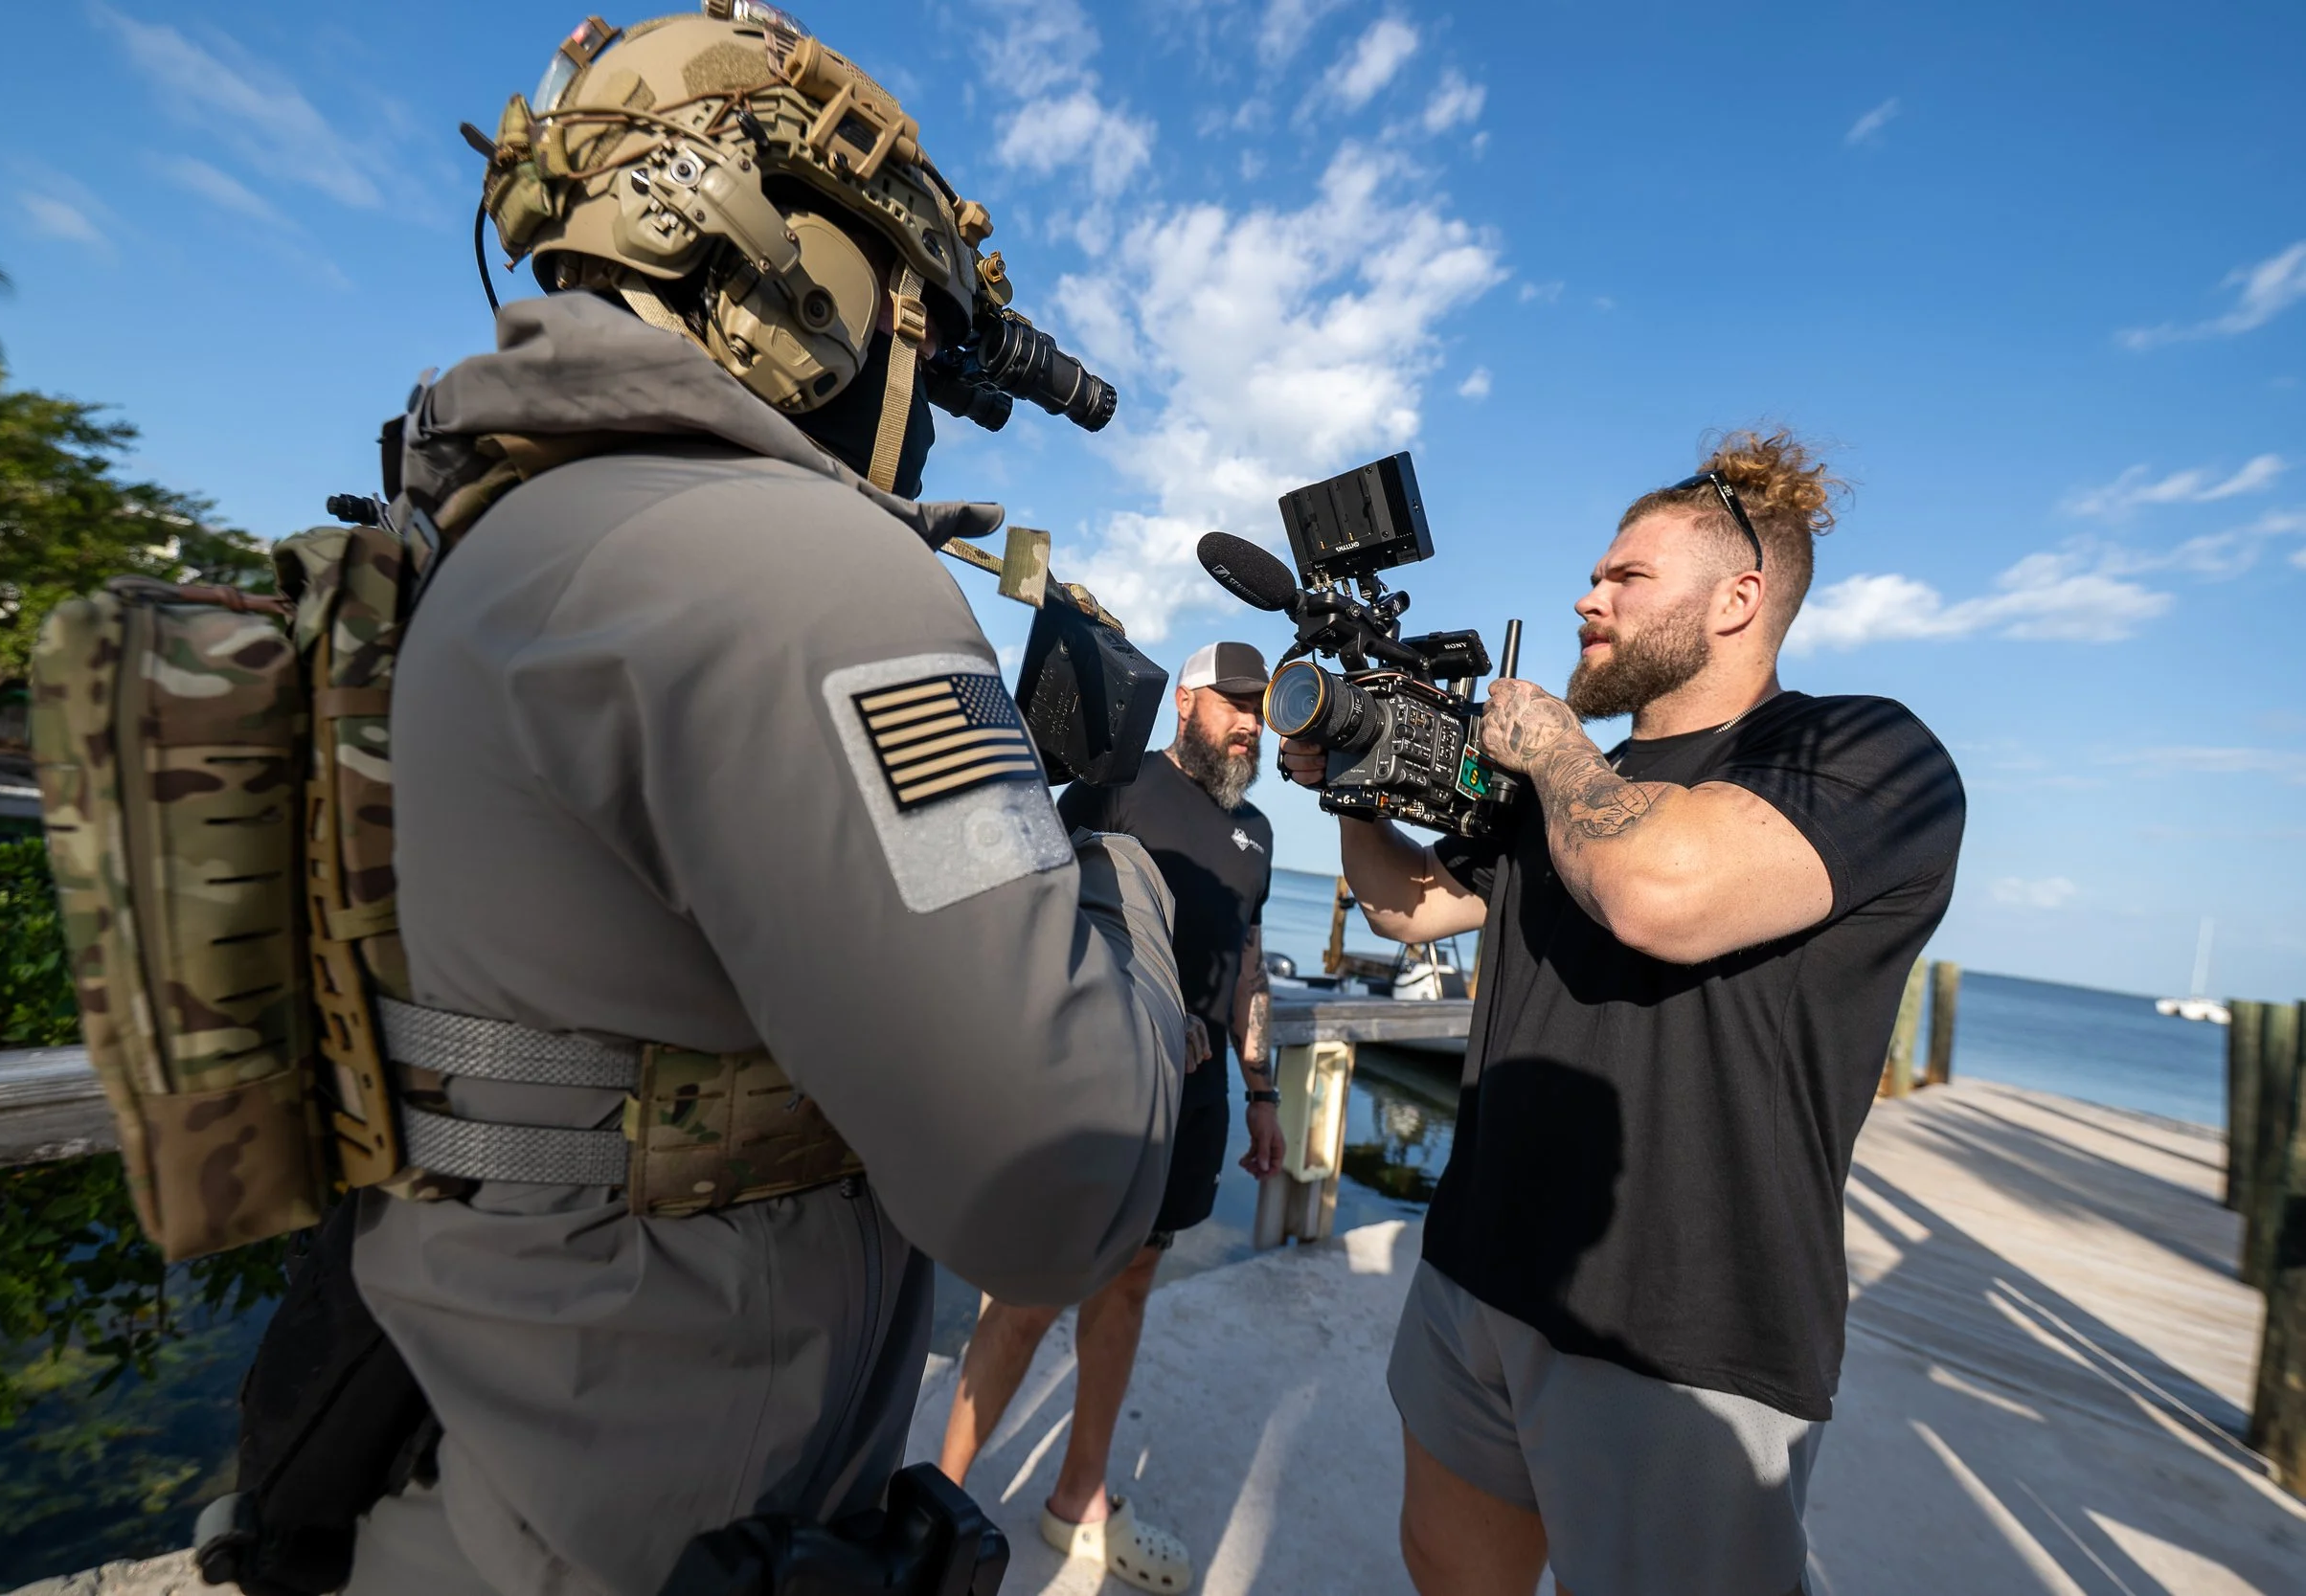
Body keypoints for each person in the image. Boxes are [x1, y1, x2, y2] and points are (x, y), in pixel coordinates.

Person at [335, 11, 1189, 1596]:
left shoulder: (492, 543)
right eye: (923, 332)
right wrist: (1131, 868)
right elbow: (1050, 1191)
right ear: (810, 272)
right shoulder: (790, 564)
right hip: (652, 1534)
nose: (921, 402)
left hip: (473, 1466)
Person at [1281, 432, 1966, 1596]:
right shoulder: (1570, 791)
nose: (1585, 598)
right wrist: (1345, 780)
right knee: (1445, 1567)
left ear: (1737, 598)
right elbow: (1406, 910)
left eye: (1625, 578)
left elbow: (1658, 891)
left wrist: (1547, 745)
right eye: (1594, 576)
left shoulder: (1860, 749)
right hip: (1476, 1272)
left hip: (1682, 1331)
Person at [937, 641, 1286, 1593]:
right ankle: (936, 1500)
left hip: (1200, 1101)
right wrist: (1131, 1015)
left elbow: (1248, 960)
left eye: (1261, 706)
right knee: (1031, 1290)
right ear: (1186, 699)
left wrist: (1263, 1091)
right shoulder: (1118, 782)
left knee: (1129, 1287)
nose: (1251, 719)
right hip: (1101, 1082)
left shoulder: (1256, 828)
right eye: (1234, 701)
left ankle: (1076, 1498)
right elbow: (1038, 906)